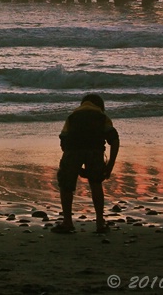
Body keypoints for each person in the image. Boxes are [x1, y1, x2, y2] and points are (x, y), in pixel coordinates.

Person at [52, 94, 120, 234]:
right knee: (96, 183)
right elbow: (114, 139)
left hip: (73, 150)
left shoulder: (72, 117)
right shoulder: (102, 117)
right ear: (101, 106)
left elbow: (63, 140)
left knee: (66, 185)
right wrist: (110, 164)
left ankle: (67, 222)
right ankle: (100, 222)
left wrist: (75, 167)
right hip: (95, 151)